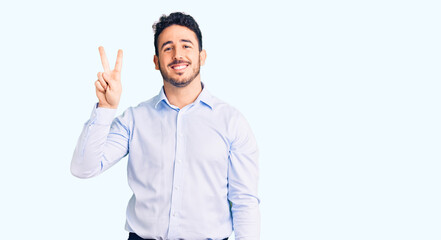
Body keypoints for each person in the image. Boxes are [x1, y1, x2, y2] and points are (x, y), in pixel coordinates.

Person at [71, 12, 260, 240]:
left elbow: (244, 200)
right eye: (167, 48)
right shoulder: (134, 119)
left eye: (186, 46)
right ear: (156, 61)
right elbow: (83, 168)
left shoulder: (231, 122)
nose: (178, 55)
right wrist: (105, 108)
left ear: (202, 56)